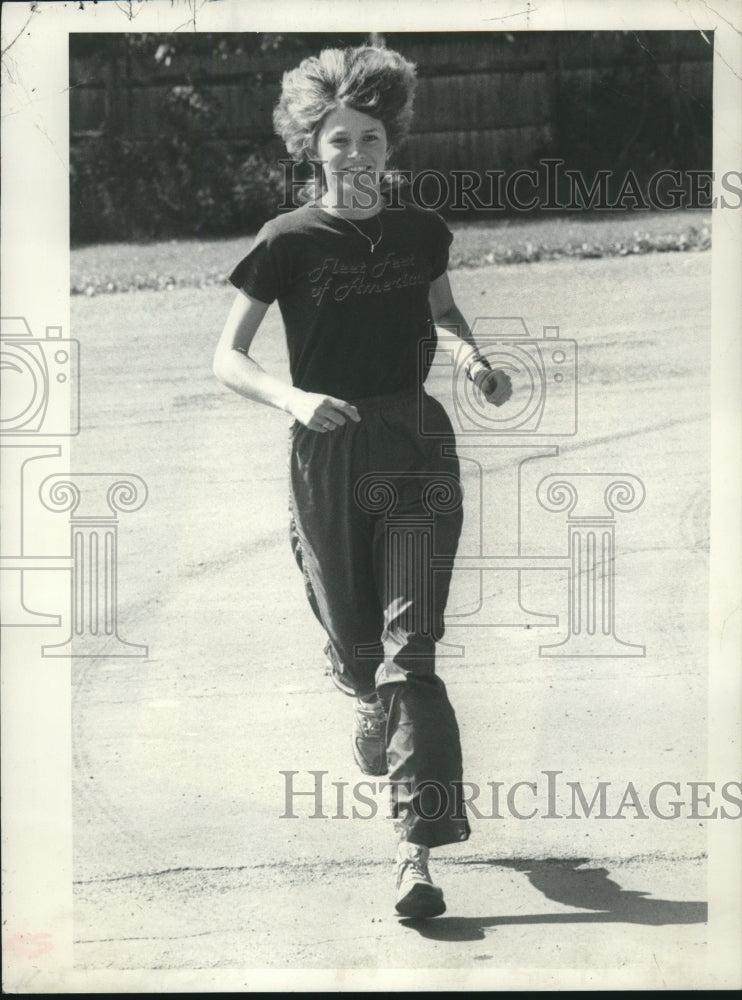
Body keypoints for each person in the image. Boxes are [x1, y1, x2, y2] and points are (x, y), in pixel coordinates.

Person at [213, 44, 512, 920]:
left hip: (415, 442)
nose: (357, 154)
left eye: (371, 138)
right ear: (312, 144)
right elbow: (226, 358)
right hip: (329, 449)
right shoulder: (285, 240)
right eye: (339, 139)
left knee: (411, 650)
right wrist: (293, 398)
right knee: (357, 646)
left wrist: (472, 355)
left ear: (392, 144)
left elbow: (443, 309)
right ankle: (361, 694)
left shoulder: (422, 231)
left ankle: (414, 855)